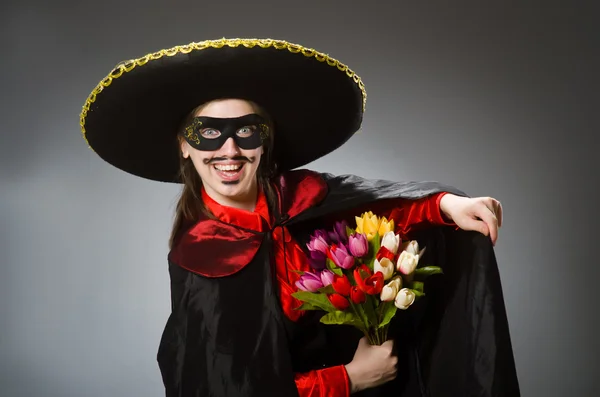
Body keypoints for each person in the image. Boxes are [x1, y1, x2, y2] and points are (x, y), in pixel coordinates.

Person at [80, 38, 520, 396]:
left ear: (264, 141)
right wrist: (349, 378)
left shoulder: (306, 197)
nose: (229, 151)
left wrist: (448, 205)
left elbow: (382, 212)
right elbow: (223, 387)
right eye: (209, 134)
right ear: (184, 145)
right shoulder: (200, 255)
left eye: (246, 131)